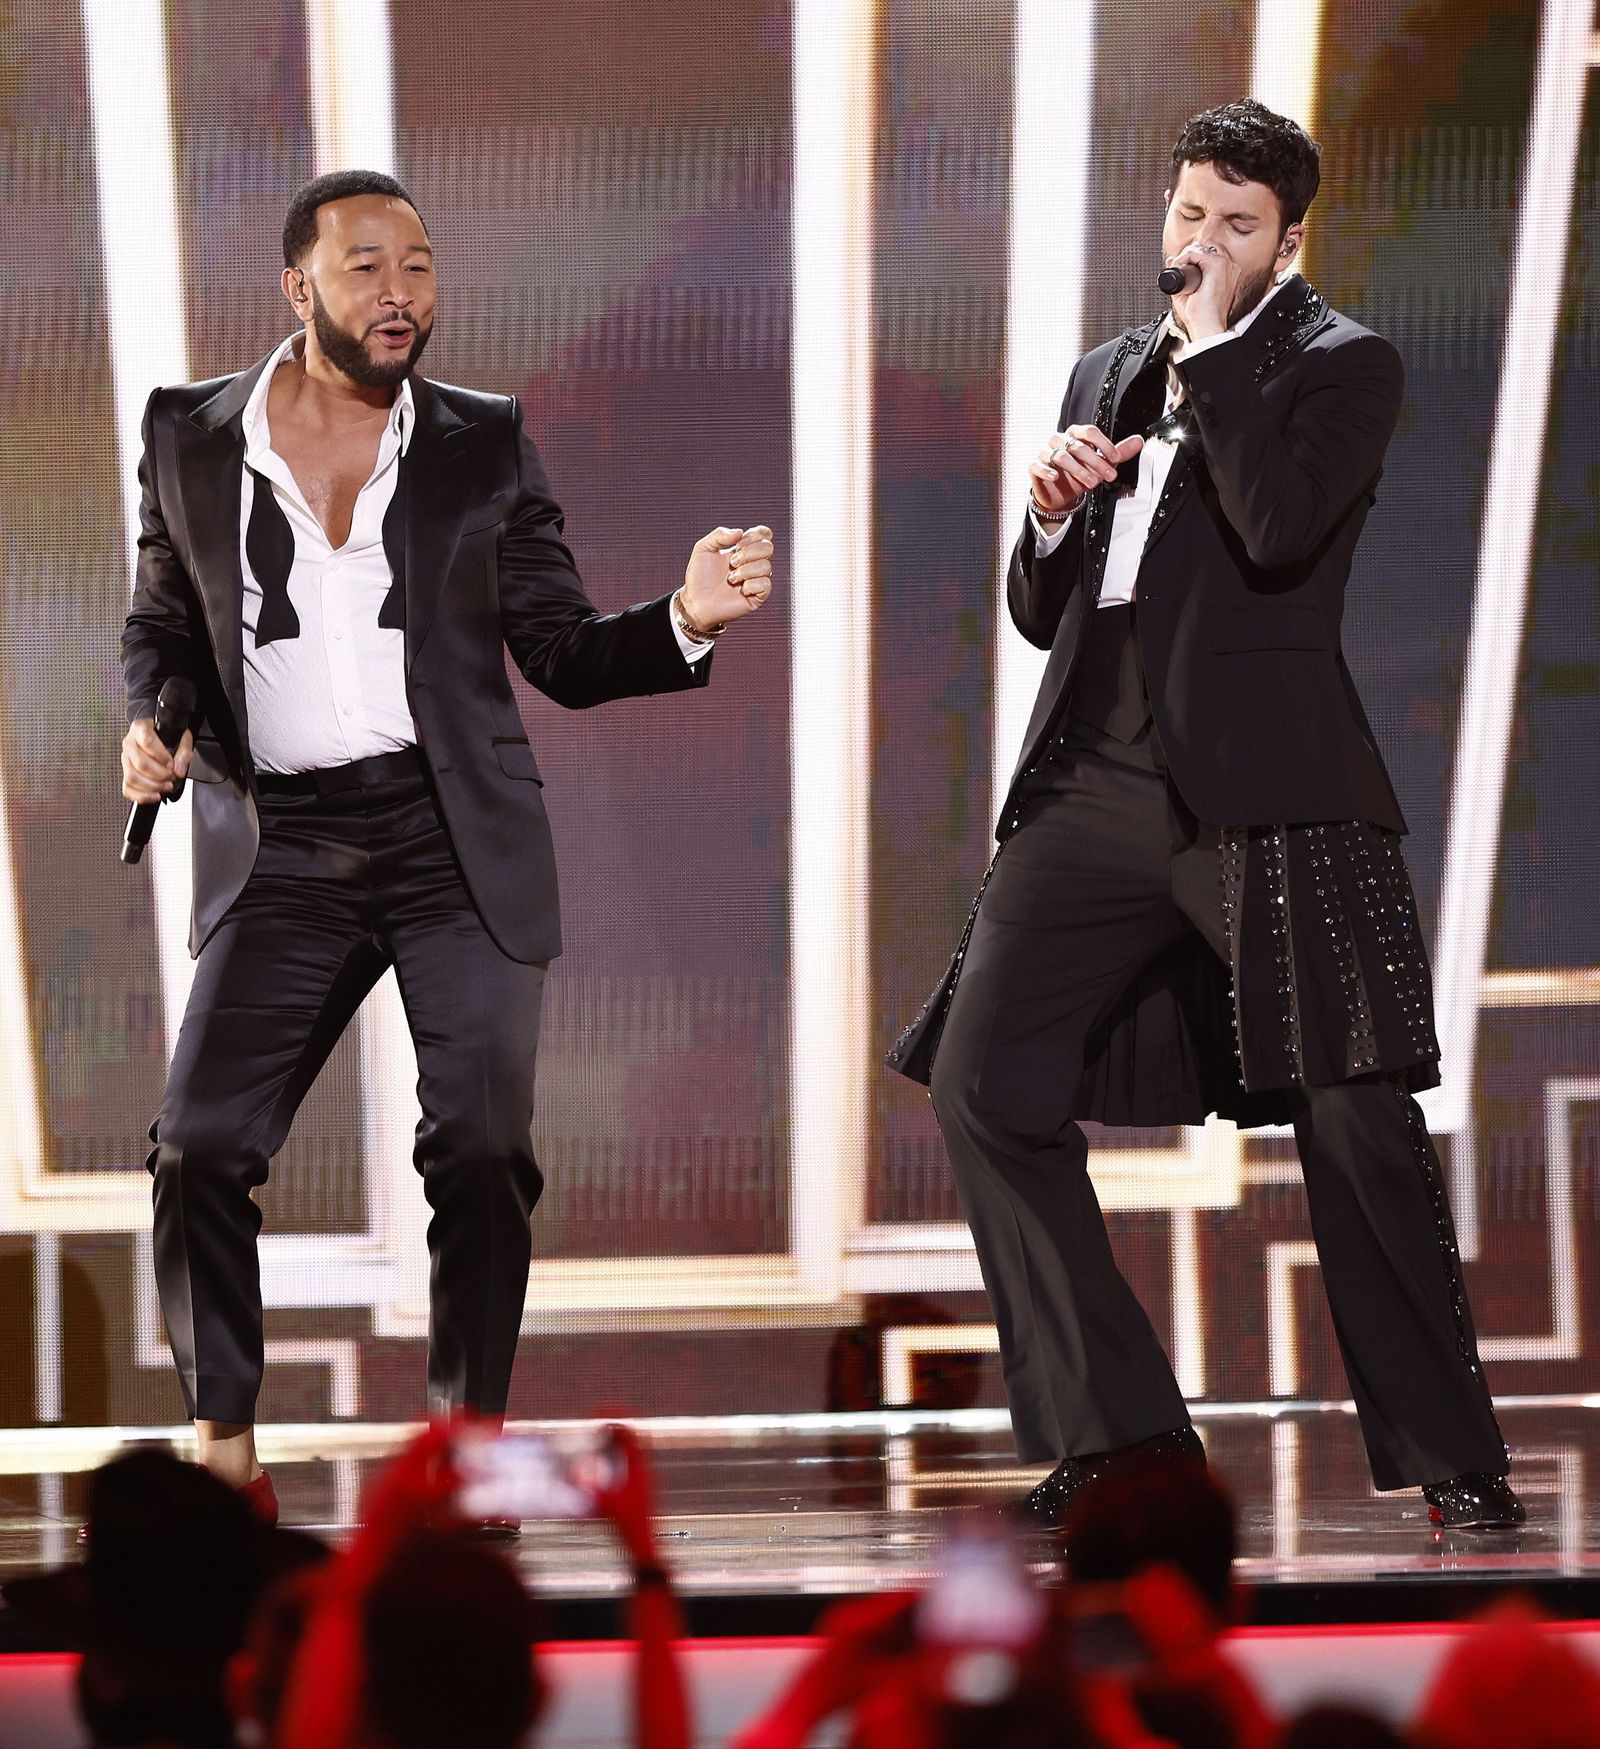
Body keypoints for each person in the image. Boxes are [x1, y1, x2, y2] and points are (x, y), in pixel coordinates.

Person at [888, 98, 1521, 1531]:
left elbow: (1281, 529)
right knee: (986, 1079)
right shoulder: (1111, 368)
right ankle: (1120, 1439)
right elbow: (1047, 609)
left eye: (1238, 225)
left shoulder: (1343, 364)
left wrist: (1222, 354)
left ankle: (1454, 1457)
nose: (1203, 243)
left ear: (1288, 241)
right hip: (1093, 773)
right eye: (1188, 215)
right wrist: (1052, 516)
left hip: (1273, 789)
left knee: (1356, 1109)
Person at [119, 169, 775, 1516]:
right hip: (285, 843)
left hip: (448, 836)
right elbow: (165, 621)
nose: (401, 293)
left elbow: (562, 651)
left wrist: (687, 618)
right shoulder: (190, 432)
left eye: (418, 266)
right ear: (298, 287)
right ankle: (226, 1450)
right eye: (367, 266)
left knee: (479, 1147)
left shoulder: (481, 440)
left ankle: (465, 1450)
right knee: (197, 1146)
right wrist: (153, 718)